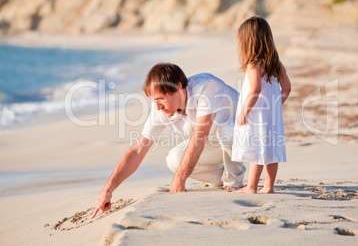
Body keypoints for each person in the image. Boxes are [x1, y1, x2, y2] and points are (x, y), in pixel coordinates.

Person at [91, 63, 245, 218]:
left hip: (248, 138)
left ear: (178, 88)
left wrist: (179, 179)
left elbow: (200, 135)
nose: (157, 107)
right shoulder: (161, 110)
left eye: (160, 99)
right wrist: (108, 189)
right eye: (154, 100)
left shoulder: (207, 87)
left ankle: (233, 182)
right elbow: (137, 151)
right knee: (174, 160)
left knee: (227, 130)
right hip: (214, 142)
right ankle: (220, 179)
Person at [232, 16, 291, 194]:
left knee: (256, 149)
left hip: (256, 114)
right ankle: (269, 186)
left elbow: (255, 89)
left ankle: (251, 187)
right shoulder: (276, 64)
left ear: (248, 43)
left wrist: (244, 112)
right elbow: (287, 88)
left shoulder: (253, 66)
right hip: (271, 116)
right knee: (271, 149)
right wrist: (275, 105)